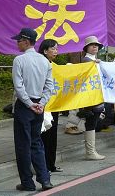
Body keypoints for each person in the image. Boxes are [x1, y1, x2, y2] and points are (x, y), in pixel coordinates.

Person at [11, 28, 54, 191]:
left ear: (26, 41)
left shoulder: (19, 60)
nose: (17, 43)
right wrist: (41, 102)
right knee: (36, 143)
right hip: (39, 105)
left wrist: (29, 104)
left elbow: (18, 86)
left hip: (25, 105)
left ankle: (27, 182)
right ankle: (45, 179)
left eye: (19, 40)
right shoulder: (44, 61)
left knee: (23, 144)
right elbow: (49, 85)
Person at [38, 39, 63, 173]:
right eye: (53, 48)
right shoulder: (41, 64)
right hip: (42, 105)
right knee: (44, 136)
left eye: (57, 49)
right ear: (45, 50)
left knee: (52, 136)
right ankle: (43, 166)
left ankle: (51, 165)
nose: (56, 51)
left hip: (54, 105)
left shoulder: (55, 66)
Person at [80, 35, 105, 160]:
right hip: (90, 98)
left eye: (97, 45)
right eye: (92, 45)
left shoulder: (95, 60)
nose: (95, 46)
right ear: (87, 48)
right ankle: (90, 152)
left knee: (93, 123)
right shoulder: (86, 61)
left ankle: (91, 151)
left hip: (96, 96)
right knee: (91, 123)